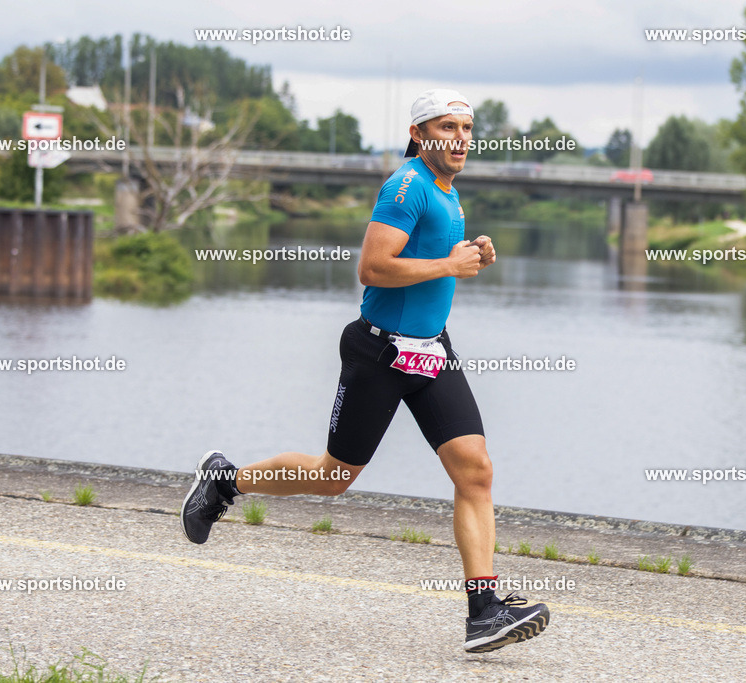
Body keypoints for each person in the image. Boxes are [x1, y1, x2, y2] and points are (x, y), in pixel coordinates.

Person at [180, 88, 549, 653]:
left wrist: (470, 252)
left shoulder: (447, 191)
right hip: (380, 354)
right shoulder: (406, 186)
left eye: (467, 129)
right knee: (332, 477)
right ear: (420, 133)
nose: (460, 140)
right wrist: (450, 263)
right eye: (447, 128)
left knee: (475, 471)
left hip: (431, 352)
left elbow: (427, 261)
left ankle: (483, 611)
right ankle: (225, 480)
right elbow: (373, 269)